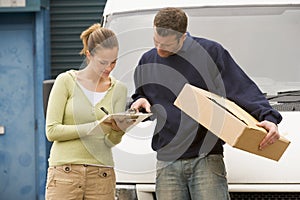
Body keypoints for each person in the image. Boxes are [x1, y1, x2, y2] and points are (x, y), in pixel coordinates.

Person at [130, 7, 282, 200]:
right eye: (156, 42)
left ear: (183, 37)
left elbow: (240, 88)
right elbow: (142, 97)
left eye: (166, 45)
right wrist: (139, 101)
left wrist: (268, 117)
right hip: (166, 161)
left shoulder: (211, 53)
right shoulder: (147, 61)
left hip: (206, 158)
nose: (159, 49)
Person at [45, 23, 127, 200]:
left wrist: (118, 131)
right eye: (103, 62)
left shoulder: (119, 89)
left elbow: (110, 141)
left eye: (113, 62)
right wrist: (92, 127)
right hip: (65, 174)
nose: (109, 68)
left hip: (101, 176)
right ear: (89, 55)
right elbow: (51, 131)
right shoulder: (65, 81)